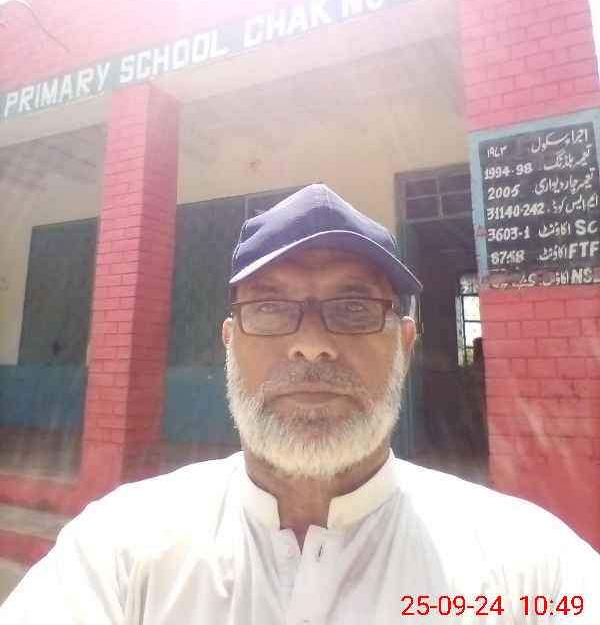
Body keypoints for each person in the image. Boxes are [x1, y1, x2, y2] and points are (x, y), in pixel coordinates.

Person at [2, 183, 599, 624]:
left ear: (405, 344)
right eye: (268, 307)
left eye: (353, 308)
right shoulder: (120, 549)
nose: (311, 345)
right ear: (230, 343)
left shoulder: (528, 570)